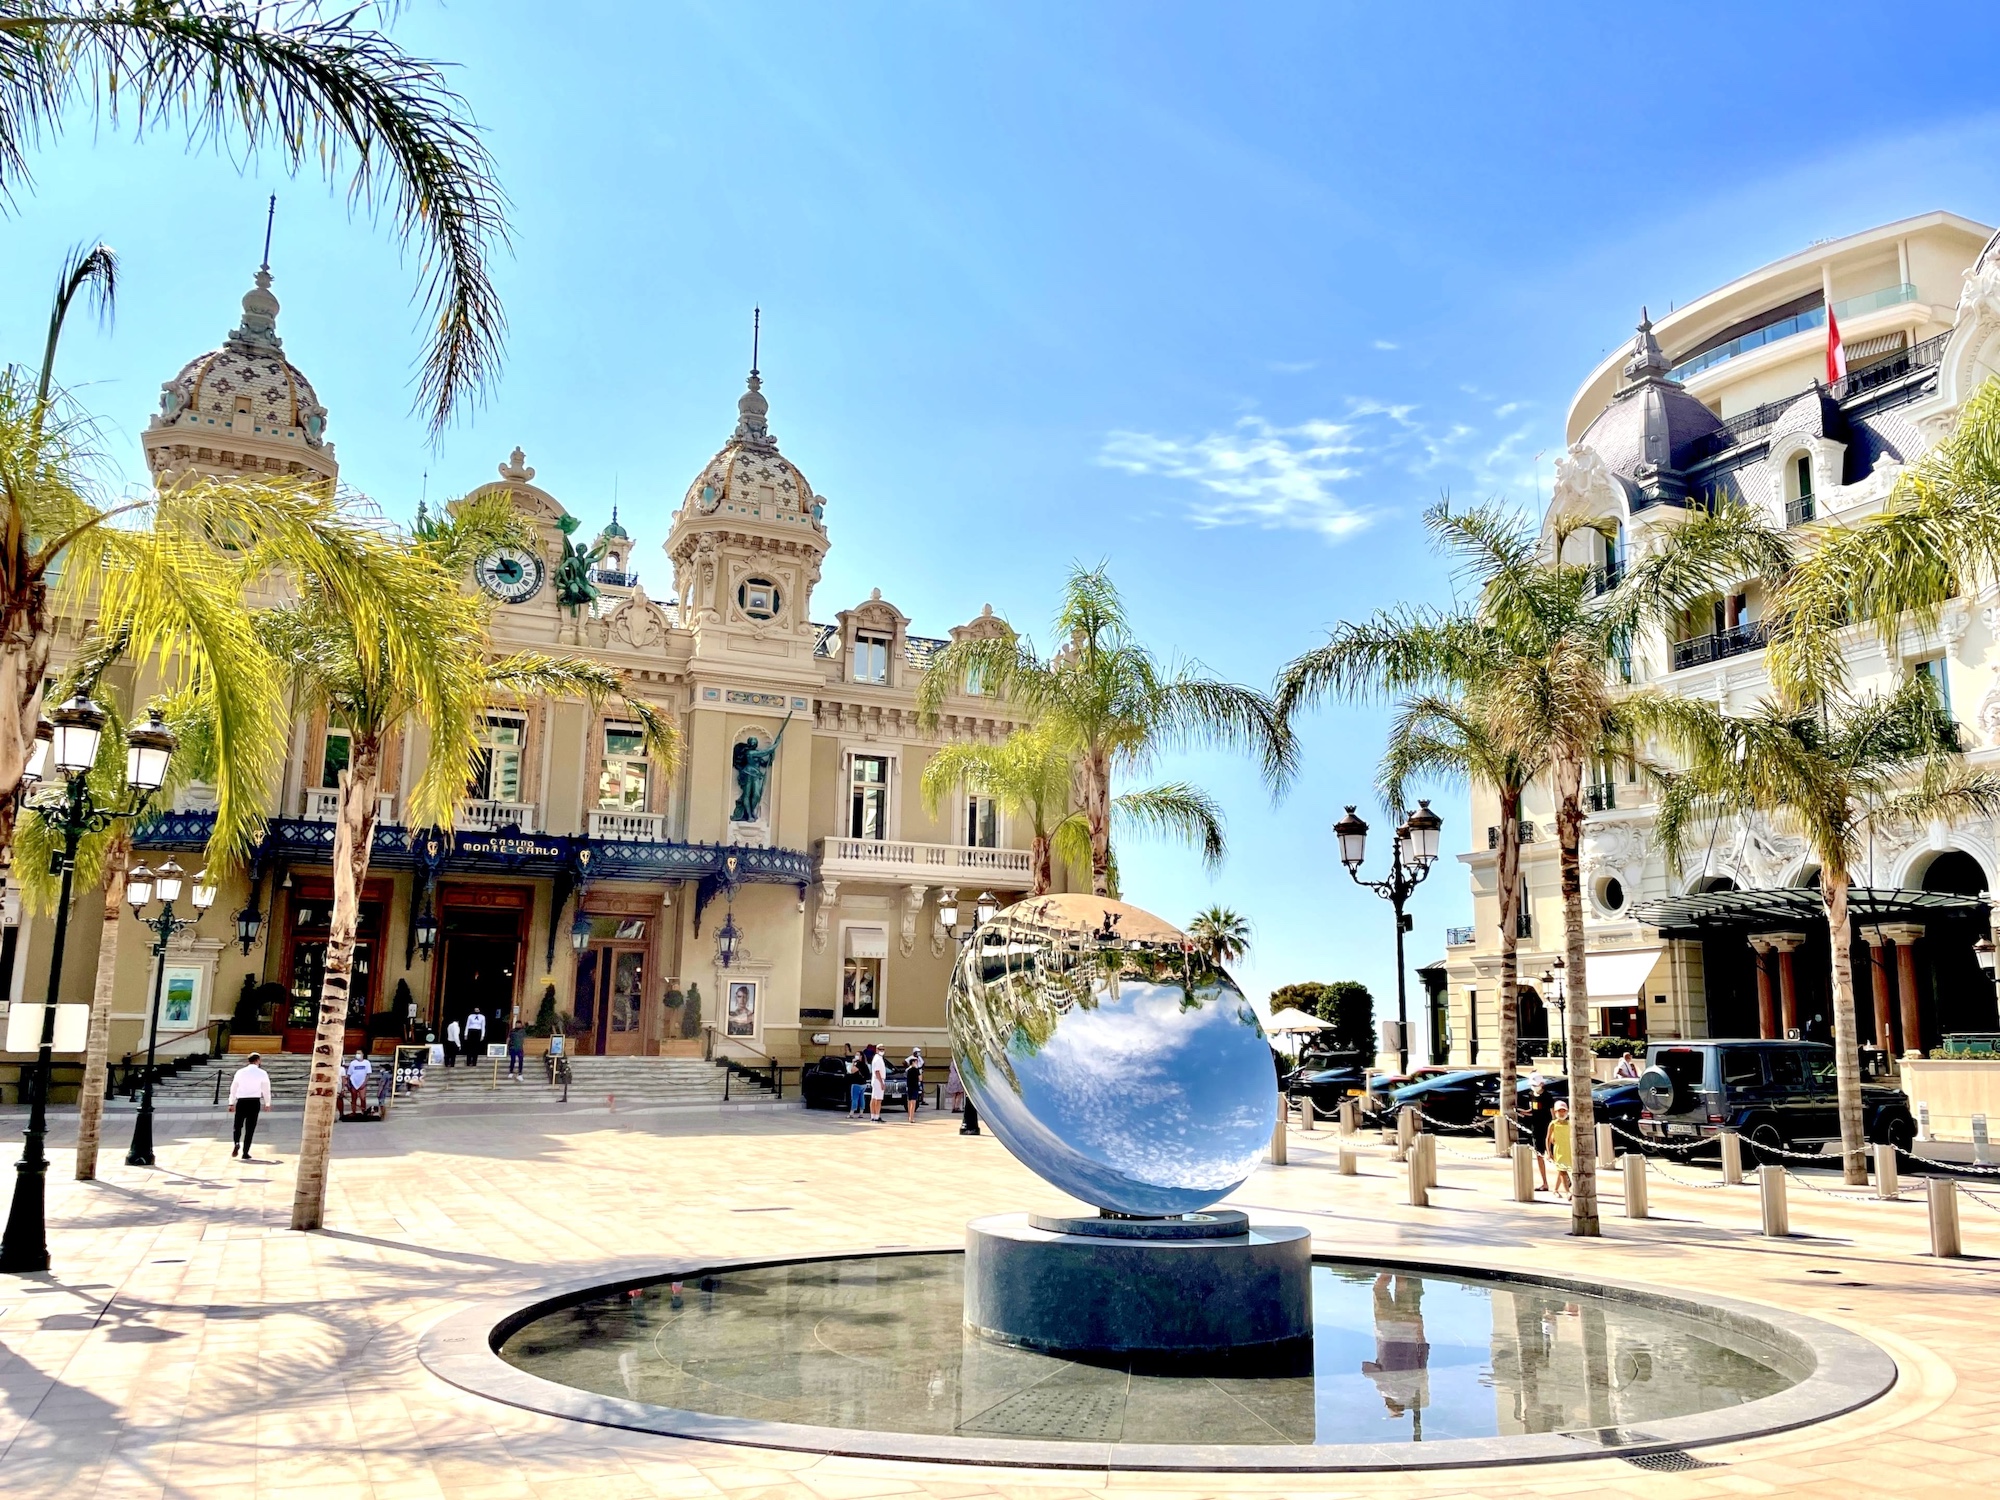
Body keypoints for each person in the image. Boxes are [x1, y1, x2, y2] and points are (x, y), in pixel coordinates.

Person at [229, 1052, 273, 1159]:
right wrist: (267, 1103)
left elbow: (234, 1088)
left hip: (241, 1101)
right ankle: (245, 1152)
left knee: (238, 1125)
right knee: (250, 1128)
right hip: (254, 1102)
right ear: (258, 1060)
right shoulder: (262, 1073)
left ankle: (236, 1143)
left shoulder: (240, 1072)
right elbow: (266, 1090)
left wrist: (231, 1102)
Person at [1519, 1075, 1555, 1193]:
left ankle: (1567, 1179)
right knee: (1539, 1155)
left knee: (1555, 1156)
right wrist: (1522, 1112)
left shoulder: (1547, 1096)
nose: (1534, 1088)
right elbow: (1532, 1111)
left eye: (1535, 1085)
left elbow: (1552, 1114)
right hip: (1536, 1128)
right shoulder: (1531, 1095)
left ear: (1541, 1084)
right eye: (1532, 1085)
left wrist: (1555, 1129)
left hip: (1547, 1127)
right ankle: (1544, 1182)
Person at [1548, 1099, 1574, 1199]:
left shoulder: (1570, 1123)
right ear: (1555, 1112)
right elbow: (1548, 1138)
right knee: (1562, 1170)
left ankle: (1555, 1189)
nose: (1562, 1113)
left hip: (1568, 1150)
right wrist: (1549, 1151)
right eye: (1559, 1111)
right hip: (1558, 1151)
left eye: (1564, 1111)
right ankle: (1567, 1191)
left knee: (1561, 1170)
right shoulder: (1553, 1124)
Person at [342, 1052, 372, 1118]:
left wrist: (364, 1083)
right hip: (354, 1083)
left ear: (363, 1054)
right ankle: (353, 1112)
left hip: (362, 1083)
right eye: (356, 1053)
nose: (357, 1054)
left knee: (363, 1098)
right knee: (353, 1099)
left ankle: (364, 1111)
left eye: (359, 1053)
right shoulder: (353, 1063)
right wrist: (349, 1084)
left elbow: (368, 1074)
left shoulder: (367, 1062)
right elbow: (349, 1074)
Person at [868, 1043, 888, 1122]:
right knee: (878, 1099)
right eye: (880, 1049)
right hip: (878, 1080)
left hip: (877, 1079)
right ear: (876, 1050)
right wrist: (881, 1083)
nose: (882, 1051)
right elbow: (877, 1071)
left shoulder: (879, 1058)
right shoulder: (877, 1059)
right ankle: (876, 1116)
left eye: (883, 1049)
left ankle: (873, 1116)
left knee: (874, 1098)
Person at [904, 1048, 925, 1123]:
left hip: (909, 1086)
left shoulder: (908, 1070)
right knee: (913, 1102)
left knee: (909, 1102)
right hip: (915, 1086)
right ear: (913, 1062)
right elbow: (920, 1078)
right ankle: (912, 1117)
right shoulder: (916, 1070)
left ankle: (909, 1116)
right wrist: (920, 1072)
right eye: (916, 1061)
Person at [844, 1044, 865, 1118]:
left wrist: (853, 1063)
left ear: (861, 1056)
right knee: (861, 1098)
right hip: (863, 1084)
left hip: (856, 1083)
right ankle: (861, 1112)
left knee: (854, 1098)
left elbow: (852, 1071)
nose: (856, 1056)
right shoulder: (865, 1064)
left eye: (857, 1055)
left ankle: (852, 1112)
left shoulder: (858, 1064)